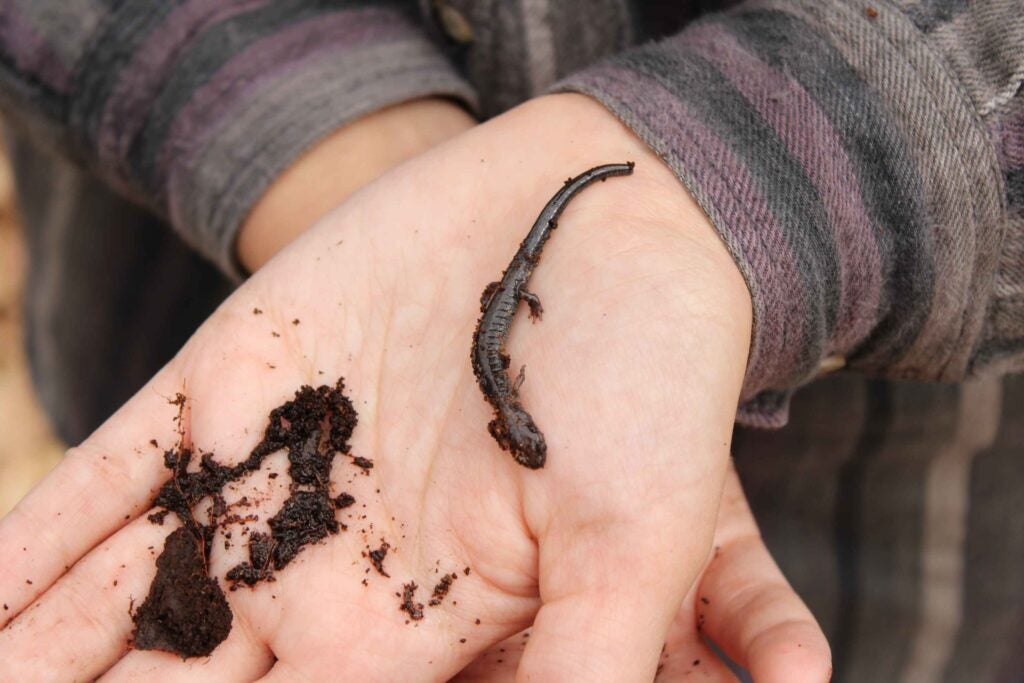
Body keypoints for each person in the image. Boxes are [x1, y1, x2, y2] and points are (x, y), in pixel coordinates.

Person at [0, 1, 1020, 680]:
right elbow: (495, 351)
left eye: (523, 442)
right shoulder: (504, 397)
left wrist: (718, 185)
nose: (524, 441)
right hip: (175, 295)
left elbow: (502, 336)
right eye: (524, 442)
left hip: (903, 500)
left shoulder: (508, 395)